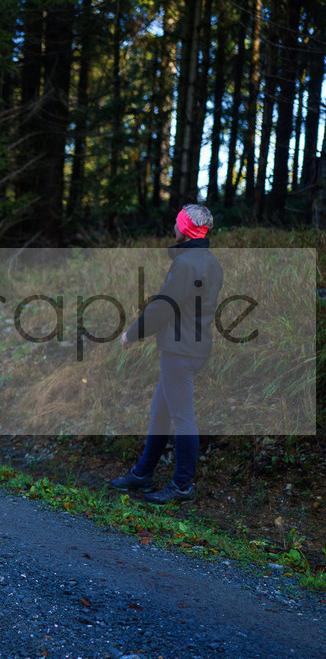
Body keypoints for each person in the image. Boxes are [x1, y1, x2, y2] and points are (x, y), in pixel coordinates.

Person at [111, 204, 223, 504]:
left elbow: (164, 305)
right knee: (160, 411)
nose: (173, 226)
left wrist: (132, 333)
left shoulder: (187, 264)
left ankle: (182, 486)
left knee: (182, 418)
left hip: (180, 350)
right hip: (195, 347)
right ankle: (142, 473)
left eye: (177, 222)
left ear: (184, 229)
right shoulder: (210, 261)